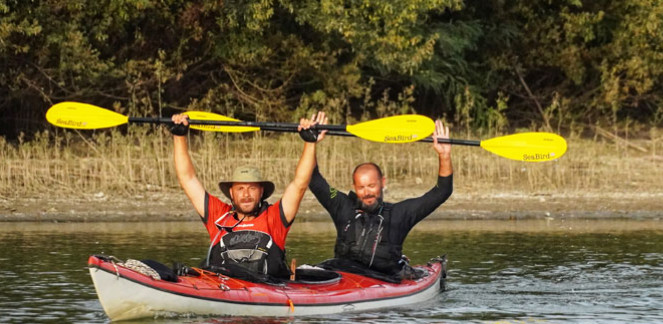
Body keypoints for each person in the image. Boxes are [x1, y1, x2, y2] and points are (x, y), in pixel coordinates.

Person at [170, 111, 328, 280]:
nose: (246, 194)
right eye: (240, 189)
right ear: (231, 192)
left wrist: (310, 143)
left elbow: (299, 184)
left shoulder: (275, 218)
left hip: (266, 291)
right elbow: (187, 179)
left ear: (261, 192)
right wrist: (180, 137)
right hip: (222, 288)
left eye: (252, 188)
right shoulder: (218, 216)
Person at [309, 119, 453, 282]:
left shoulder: (401, 213)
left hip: (385, 279)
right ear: (354, 187)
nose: (367, 193)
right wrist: (310, 143)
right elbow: (315, 180)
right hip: (343, 276)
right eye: (361, 187)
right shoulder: (341, 204)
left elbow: (442, 191)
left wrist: (444, 155)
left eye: (371, 185)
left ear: (382, 183)